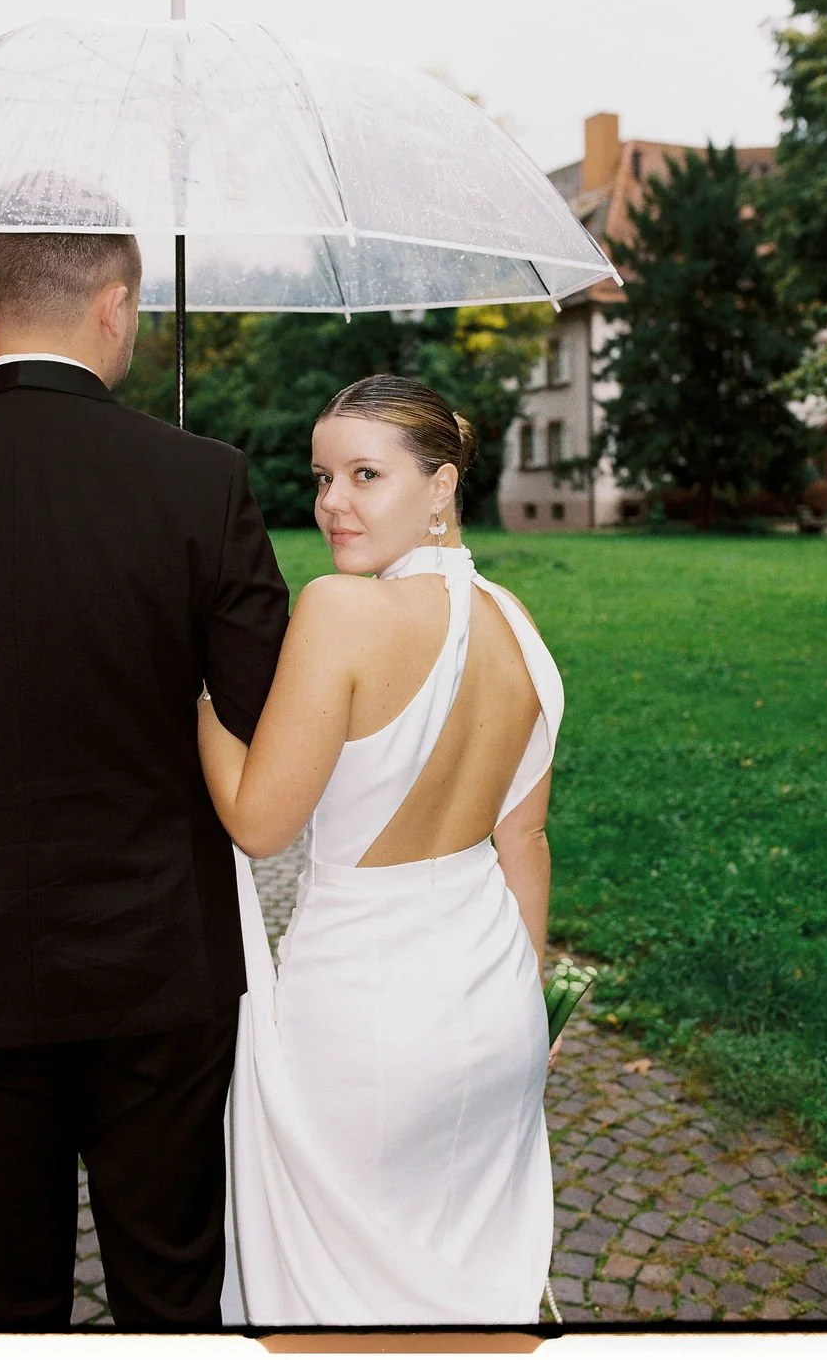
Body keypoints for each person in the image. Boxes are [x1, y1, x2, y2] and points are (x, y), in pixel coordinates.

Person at [0, 227, 289, 1331]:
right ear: (118, 303)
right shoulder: (201, 476)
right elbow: (261, 709)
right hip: (157, 968)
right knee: (170, 1292)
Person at [197, 373, 565, 1325]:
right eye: (323, 477)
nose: (333, 503)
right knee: (463, 1287)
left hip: (365, 1010)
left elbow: (259, 821)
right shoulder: (519, 627)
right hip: (496, 1000)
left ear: (441, 485)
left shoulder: (342, 609)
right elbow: (524, 838)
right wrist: (521, 1001)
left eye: (366, 474)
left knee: (336, 1296)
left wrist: (197, 696)